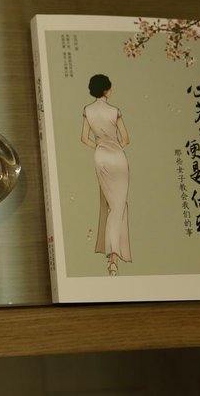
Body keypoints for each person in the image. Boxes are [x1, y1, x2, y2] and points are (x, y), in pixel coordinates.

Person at [80, 74, 131, 276]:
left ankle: (112, 257)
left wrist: (99, 146)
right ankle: (113, 258)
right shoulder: (114, 111)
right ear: (106, 90)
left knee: (111, 204)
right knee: (118, 206)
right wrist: (114, 147)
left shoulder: (87, 110)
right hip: (117, 157)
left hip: (100, 156)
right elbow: (126, 139)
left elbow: (84, 138)